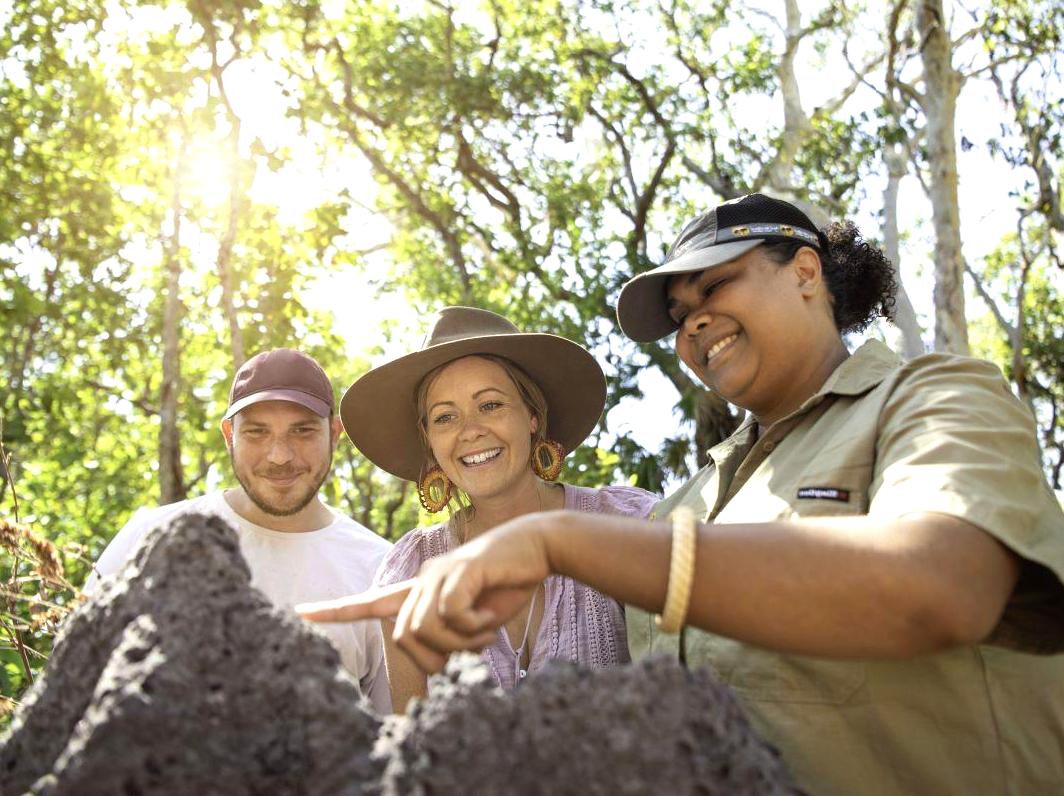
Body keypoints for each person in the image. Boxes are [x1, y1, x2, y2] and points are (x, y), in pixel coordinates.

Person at [299, 195, 1064, 794]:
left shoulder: (932, 398)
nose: (693, 319)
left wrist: (557, 540)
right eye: (678, 313)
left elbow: (943, 585)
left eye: (717, 284)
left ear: (805, 272)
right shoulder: (689, 504)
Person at [334, 306, 657, 710]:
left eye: (490, 405)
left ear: (532, 416)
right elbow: (417, 747)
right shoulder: (410, 569)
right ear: (430, 439)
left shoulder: (628, 525)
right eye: (445, 416)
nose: (470, 431)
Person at [88, 348, 392, 714]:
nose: (279, 456)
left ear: (335, 432)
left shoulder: (380, 569)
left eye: (302, 430)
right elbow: (70, 692)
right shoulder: (150, 538)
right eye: (257, 432)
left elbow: (394, 740)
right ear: (229, 434)